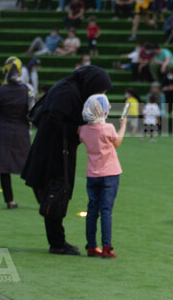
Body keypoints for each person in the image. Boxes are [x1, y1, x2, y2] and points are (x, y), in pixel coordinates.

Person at [22, 65, 113, 255]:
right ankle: (57, 243)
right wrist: (78, 130)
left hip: (52, 151)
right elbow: (54, 121)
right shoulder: (67, 93)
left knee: (53, 194)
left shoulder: (68, 89)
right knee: (56, 194)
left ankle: (57, 241)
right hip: (54, 153)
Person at [78, 94, 127, 258]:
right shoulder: (108, 128)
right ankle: (107, 246)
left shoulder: (83, 130)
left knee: (92, 210)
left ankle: (91, 246)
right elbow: (117, 143)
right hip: (110, 173)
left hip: (92, 174)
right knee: (106, 210)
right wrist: (123, 126)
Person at [0, 58, 33, 210]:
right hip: (20, 130)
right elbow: (29, 112)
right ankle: (41, 198)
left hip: (2, 129)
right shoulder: (26, 90)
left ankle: (9, 200)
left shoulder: (0, 91)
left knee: (4, 167)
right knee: (29, 166)